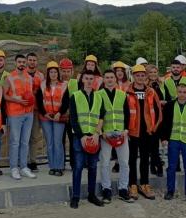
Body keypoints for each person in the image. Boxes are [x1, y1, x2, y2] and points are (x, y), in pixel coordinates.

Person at [69, 72, 104, 208]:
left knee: (93, 167)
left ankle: (92, 195)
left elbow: (101, 117)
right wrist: (82, 136)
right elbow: (73, 119)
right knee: (78, 167)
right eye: (87, 79)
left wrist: (96, 133)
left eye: (91, 79)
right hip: (80, 137)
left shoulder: (99, 96)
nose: (89, 81)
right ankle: (75, 196)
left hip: (94, 136)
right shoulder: (75, 96)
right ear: (82, 80)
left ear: (94, 81)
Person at [127, 64, 163, 200]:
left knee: (144, 159)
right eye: (138, 75)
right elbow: (125, 112)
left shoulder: (151, 92)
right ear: (134, 76)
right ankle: (132, 185)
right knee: (131, 159)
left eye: (143, 75)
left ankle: (144, 184)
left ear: (146, 77)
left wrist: (154, 128)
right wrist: (126, 130)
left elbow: (158, 111)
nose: (140, 77)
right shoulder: (127, 92)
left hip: (147, 132)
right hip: (132, 132)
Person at [97, 69, 132, 203]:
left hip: (121, 133)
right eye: (107, 77)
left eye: (112, 77)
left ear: (115, 80)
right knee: (105, 163)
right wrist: (101, 133)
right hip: (106, 134)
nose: (110, 79)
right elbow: (97, 115)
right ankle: (106, 190)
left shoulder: (122, 95)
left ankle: (123, 189)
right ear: (103, 80)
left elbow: (127, 113)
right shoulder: (98, 95)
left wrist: (126, 130)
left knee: (124, 163)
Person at [4, 54, 36, 180]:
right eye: (19, 62)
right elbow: (5, 96)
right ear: (15, 63)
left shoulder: (29, 78)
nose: (22, 64)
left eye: (23, 62)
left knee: (25, 142)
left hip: (28, 113)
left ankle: (23, 167)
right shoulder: (9, 78)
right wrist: (17, 101)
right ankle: (14, 168)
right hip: (15, 114)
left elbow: (30, 95)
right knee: (15, 142)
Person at [36, 61, 69, 176]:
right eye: (51, 72)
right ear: (48, 73)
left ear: (58, 73)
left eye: (55, 72)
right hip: (46, 118)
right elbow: (39, 101)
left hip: (58, 118)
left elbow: (65, 101)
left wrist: (59, 113)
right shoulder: (43, 84)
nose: (53, 74)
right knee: (49, 143)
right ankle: (52, 166)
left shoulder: (64, 85)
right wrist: (44, 113)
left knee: (58, 142)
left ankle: (59, 167)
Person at [26, 52, 45, 173]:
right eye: (30, 60)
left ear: (36, 62)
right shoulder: (21, 75)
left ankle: (32, 161)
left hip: (36, 110)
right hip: (23, 111)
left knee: (34, 137)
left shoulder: (41, 76)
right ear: (27, 61)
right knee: (22, 138)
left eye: (34, 60)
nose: (32, 62)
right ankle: (21, 161)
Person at [145, 63, 165, 177]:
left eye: (155, 72)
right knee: (151, 143)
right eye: (151, 72)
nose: (153, 74)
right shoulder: (145, 86)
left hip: (159, 117)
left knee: (155, 144)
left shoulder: (160, 84)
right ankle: (156, 165)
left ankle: (155, 165)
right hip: (149, 117)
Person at [59, 58, 76, 170]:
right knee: (60, 141)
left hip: (73, 117)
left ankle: (74, 164)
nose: (65, 73)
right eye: (63, 71)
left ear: (72, 71)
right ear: (60, 71)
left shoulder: (76, 83)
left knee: (73, 140)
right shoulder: (56, 83)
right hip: (60, 116)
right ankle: (61, 164)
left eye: (68, 71)